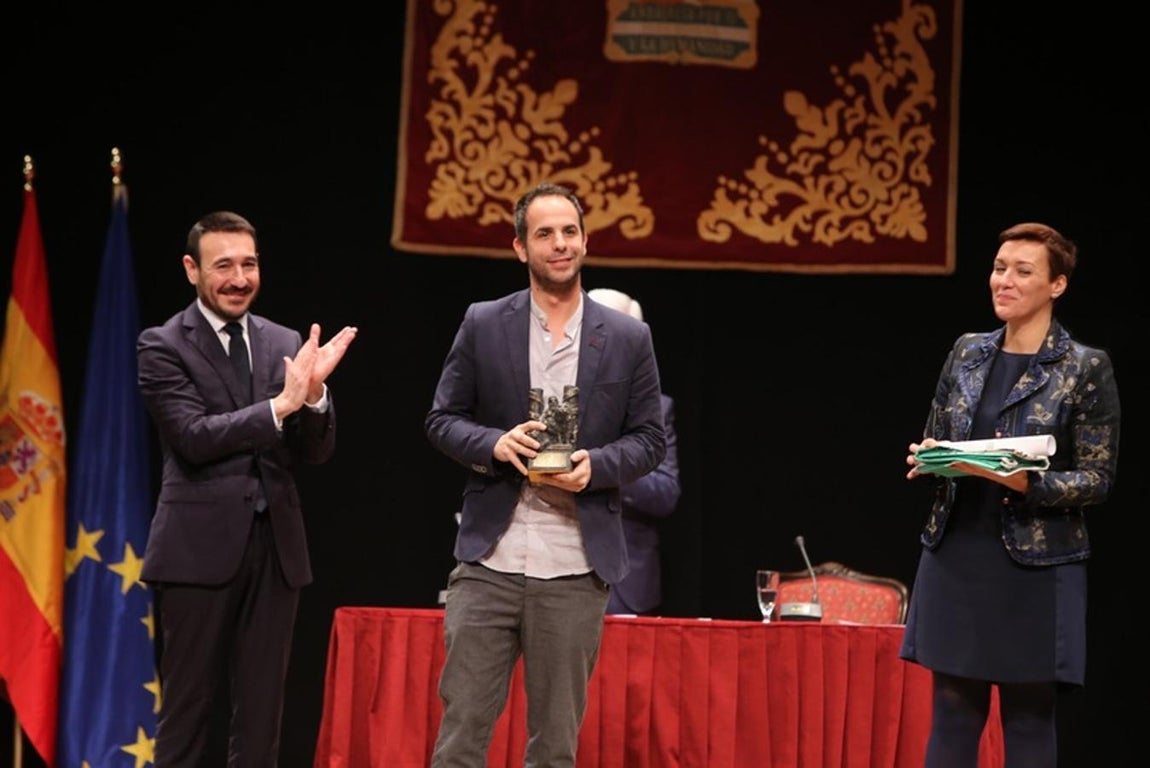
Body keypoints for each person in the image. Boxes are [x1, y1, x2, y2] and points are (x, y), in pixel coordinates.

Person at [425, 182, 666, 767]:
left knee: (555, 749)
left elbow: (650, 440)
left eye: (569, 232)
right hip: (490, 562)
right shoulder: (483, 323)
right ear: (519, 247)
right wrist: (494, 443)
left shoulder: (629, 336)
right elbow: (441, 419)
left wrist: (597, 467)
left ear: (584, 241)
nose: (559, 244)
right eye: (544, 234)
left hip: (575, 566)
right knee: (460, 739)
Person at [137, 210, 357, 766]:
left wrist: (314, 399)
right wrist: (281, 405)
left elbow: (315, 451)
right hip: (196, 551)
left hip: (276, 551)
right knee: (187, 712)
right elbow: (191, 437)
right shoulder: (162, 345)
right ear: (192, 269)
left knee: (262, 716)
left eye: (249, 264)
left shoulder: (283, 340)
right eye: (224, 266)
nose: (239, 278)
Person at [900, 222, 1120, 767]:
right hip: (957, 552)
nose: (1005, 281)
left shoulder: (1083, 367)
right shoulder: (967, 352)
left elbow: (1096, 478)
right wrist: (929, 459)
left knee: (1027, 715)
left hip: (1036, 562)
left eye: (1023, 272)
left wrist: (1029, 484)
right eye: (1000, 268)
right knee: (952, 710)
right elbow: (942, 434)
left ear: (1057, 286)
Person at [587, 287, 681, 616]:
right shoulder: (552, 394)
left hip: (625, 583)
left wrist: (604, 465)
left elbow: (666, 494)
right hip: (550, 568)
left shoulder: (656, 408)